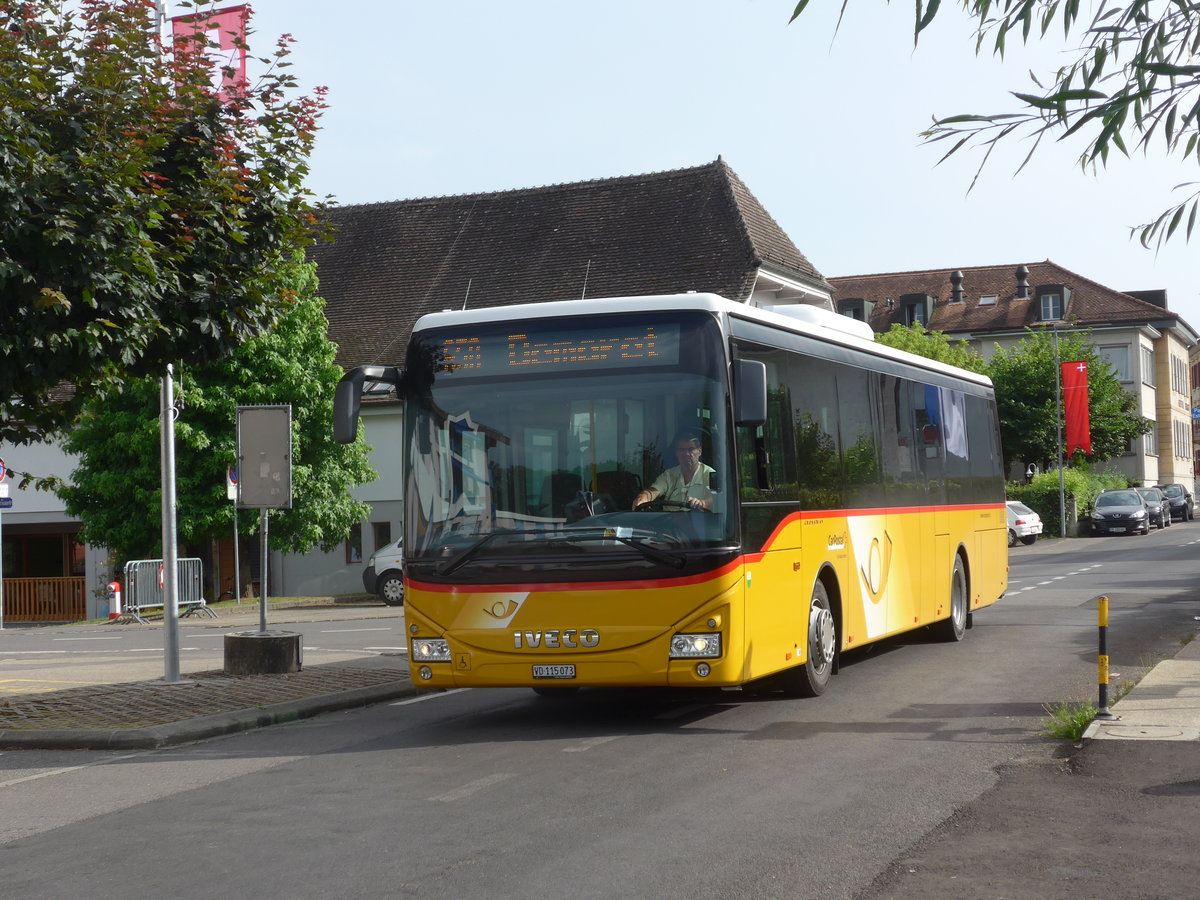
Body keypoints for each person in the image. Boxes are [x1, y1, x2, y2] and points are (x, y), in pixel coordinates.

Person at [632, 429, 714, 511]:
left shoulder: (710, 474)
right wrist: (643, 497)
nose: (686, 454)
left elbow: (716, 500)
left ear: (699, 451)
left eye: (691, 449)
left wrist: (702, 503)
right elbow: (654, 491)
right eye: (682, 450)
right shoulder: (669, 475)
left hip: (699, 522)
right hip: (669, 522)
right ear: (676, 453)